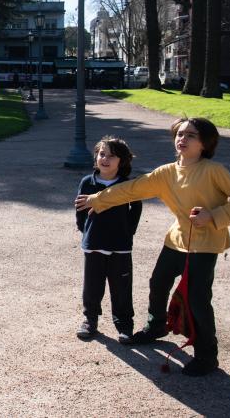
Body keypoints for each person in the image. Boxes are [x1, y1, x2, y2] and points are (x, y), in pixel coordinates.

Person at [75, 117, 230, 376]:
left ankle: (207, 355)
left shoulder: (215, 171)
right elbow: (131, 190)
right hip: (176, 239)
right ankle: (157, 326)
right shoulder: (166, 172)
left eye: (191, 135)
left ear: (204, 143)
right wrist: (97, 199)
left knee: (198, 300)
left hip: (204, 245)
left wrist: (212, 215)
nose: (183, 139)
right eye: (180, 134)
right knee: (158, 283)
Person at [75, 136, 142, 343]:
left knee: (121, 287)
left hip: (120, 246)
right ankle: (89, 320)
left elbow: (136, 208)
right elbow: (80, 209)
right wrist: (85, 230)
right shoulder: (88, 182)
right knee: (92, 286)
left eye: (111, 156)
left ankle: (124, 325)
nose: (105, 159)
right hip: (94, 243)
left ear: (121, 161)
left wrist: (128, 230)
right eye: (101, 154)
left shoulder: (127, 184)